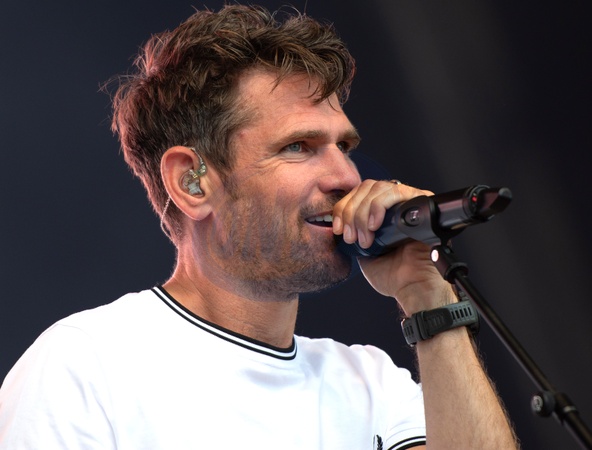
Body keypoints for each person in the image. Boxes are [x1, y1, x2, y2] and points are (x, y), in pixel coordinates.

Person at [0, 5, 518, 449]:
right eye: (298, 147)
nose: (346, 177)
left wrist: (426, 295)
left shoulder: (372, 384)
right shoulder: (85, 365)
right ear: (192, 183)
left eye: (344, 147)